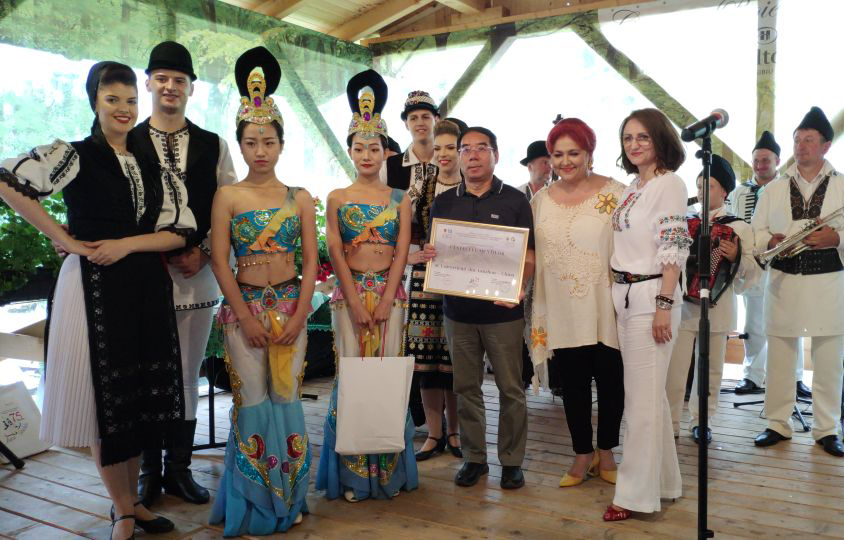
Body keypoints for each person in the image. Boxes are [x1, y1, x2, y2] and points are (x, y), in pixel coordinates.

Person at [0, 61, 196, 540]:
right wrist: (63, 237)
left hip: (144, 285)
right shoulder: (75, 154)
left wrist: (127, 245)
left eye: (130, 100)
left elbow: (180, 232)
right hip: (92, 285)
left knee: (136, 400)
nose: (124, 109)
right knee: (104, 400)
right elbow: (8, 181)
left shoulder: (152, 166)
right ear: (95, 102)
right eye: (113, 99)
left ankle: (133, 504)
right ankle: (122, 509)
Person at [206, 47, 317, 535]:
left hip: (292, 306)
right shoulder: (227, 196)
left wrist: (300, 315)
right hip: (244, 311)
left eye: (268, 141)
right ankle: (253, 502)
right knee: (251, 400)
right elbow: (219, 260)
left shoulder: (300, 198)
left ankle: (290, 496)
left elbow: (311, 261)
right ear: (240, 144)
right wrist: (247, 317)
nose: (260, 151)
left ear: (281, 144)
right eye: (251, 142)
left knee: (287, 397)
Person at [131, 40, 238, 508]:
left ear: (192, 88)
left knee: (187, 372)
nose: (170, 86)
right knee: (145, 374)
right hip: (141, 276)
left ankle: (179, 469)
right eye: (162, 78)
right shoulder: (127, 140)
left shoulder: (215, 144)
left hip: (197, 276)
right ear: (148, 83)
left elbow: (228, 206)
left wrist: (205, 254)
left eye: (179, 80)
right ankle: (148, 473)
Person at [316, 69, 418, 501]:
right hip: (349, 296)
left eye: (374, 147)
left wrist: (386, 298)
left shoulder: (400, 199)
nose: (366, 155)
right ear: (350, 150)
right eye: (359, 147)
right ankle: (354, 475)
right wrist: (357, 301)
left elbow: (402, 250)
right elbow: (335, 251)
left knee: (387, 376)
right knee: (352, 375)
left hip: (391, 296)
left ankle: (389, 471)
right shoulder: (337, 197)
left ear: (386, 151)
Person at [422, 126, 536, 490]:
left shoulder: (516, 201)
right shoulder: (444, 203)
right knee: (466, 388)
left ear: (495, 155)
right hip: (458, 313)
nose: (472, 155)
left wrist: (519, 288)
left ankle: (512, 462)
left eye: (481, 148)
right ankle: (474, 458)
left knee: (511, 389)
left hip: (503, 312)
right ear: (458, 157)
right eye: (465, 149)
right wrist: (429, 254)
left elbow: (529, 256)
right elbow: (435, 251)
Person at [605, 108, 690, 521]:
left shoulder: (669, 184)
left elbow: (673, 246)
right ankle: (665, 483)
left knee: (640, 404)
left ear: (660, 139)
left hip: (653, 295)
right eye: (627, 138)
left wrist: (664, 305)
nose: (634, 144)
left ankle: (633, 495)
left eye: (642, 137)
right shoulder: (632, 188)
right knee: (648, 398)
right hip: (624, 295)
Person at [529, 118, 624, 487]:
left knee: (612, 383)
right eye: (558, 155)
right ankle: (582, 453)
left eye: (574, 153)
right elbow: (529, 253)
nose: (565, 161)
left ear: (589, 153)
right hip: (562, 307)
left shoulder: (616, 193)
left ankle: (607, 451)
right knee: (573, 385)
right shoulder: (539, 201)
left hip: (607, 305)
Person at [751, 106, 844, 457]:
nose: (801, 146)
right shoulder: (773, 189)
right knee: (780, 356)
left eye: (809, 140)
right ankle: (777, 423)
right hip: (784, 283)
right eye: (797, 140)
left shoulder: (842, 184)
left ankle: (827, 428)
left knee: (829, 360)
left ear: (826, 145)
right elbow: (755, 231)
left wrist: (836, 238)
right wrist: (770, 241)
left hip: (828, 284)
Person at [666, 155, 760, 445]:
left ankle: (701, 421)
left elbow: (752, 272)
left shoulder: (739, 227)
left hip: (718, 307)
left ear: (725, 191)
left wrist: (736, 256)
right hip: (684, 306)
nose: (702, 191)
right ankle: (670, 422)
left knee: (711, 369)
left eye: (709, 186)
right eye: (699, 185)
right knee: (675, 367)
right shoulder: (685, 220)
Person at [729, 132, 811, 398]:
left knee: (792, 320)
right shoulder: (739, 192)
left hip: (783, 262)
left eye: (766, 160)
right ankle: (752, 375)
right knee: (753, 324)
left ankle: (795, 378)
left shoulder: (788, 188)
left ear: (777, 160)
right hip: (752, 263)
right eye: (756, 160)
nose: (760, 165)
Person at [406, 119, 464, 461]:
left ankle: (454, 431)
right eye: (438, 147)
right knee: (426, 362)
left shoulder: (472, 187)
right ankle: (433, 433)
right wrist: (411, 255)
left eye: (450, 147)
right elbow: (399, 226)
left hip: (461, 281)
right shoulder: (421, 187)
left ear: (461, 149)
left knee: (454, 361)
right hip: (426, 279)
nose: (443, 154)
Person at [383, 90, 439, 191]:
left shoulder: (451, 161)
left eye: (426, 117)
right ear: (406, 124)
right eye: (413, 118)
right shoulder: (388, 167)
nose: (420, 123)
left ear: (436, 120)